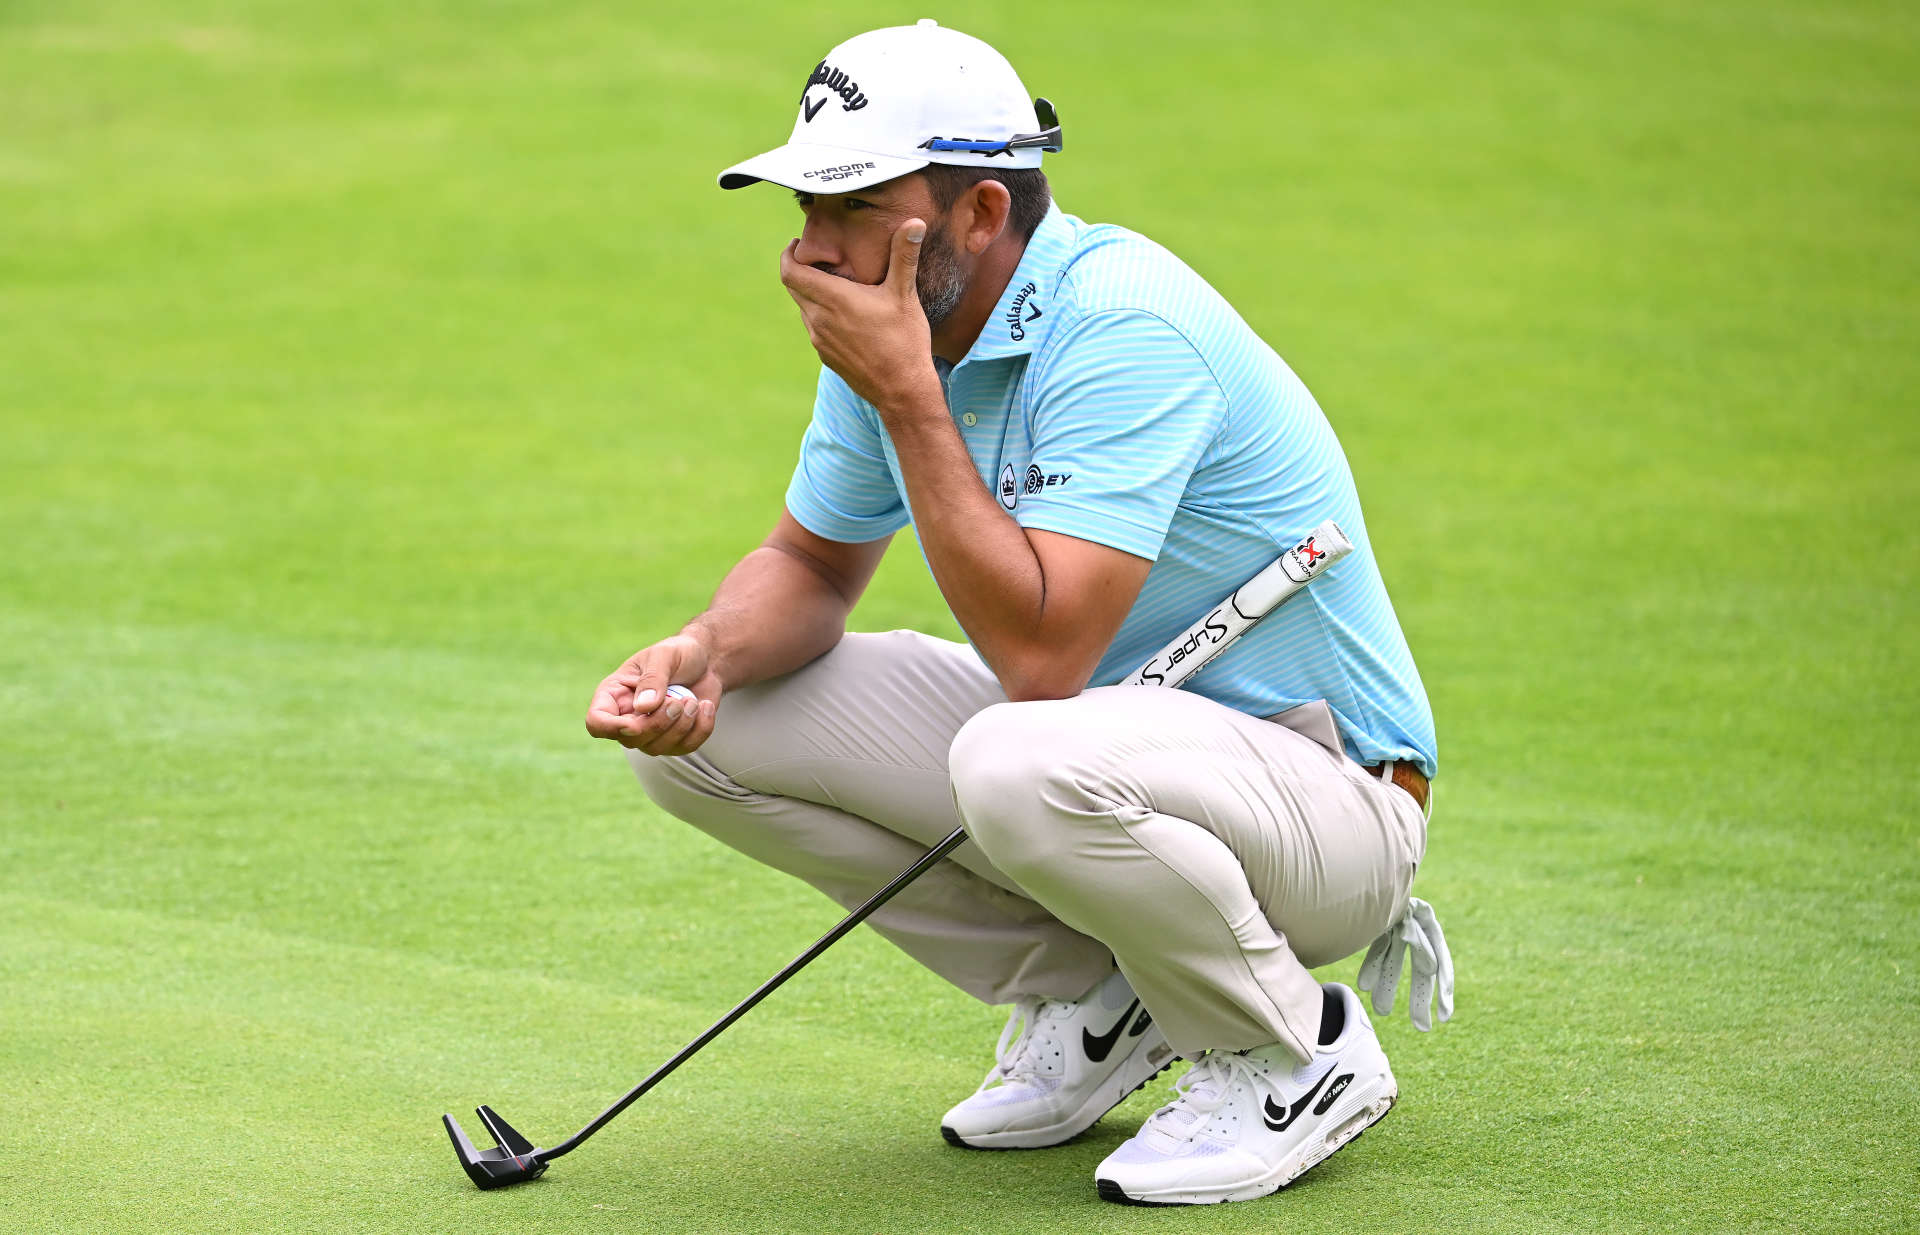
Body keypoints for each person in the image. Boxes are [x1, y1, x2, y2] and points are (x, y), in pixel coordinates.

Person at [584, 19, 1454, 1206]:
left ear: (981, 212)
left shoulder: (1123, 325)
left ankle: (1289, 1050)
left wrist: (906, 393)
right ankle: (1109, 995)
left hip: (1333, 802)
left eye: (853, 205)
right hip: (1116, 756)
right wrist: (703, 651)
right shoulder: (908, 335)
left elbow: (1043, 660)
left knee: (1015, 751)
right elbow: (811, 565)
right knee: (713, 730)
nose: (812, 246)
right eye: (805, 204)